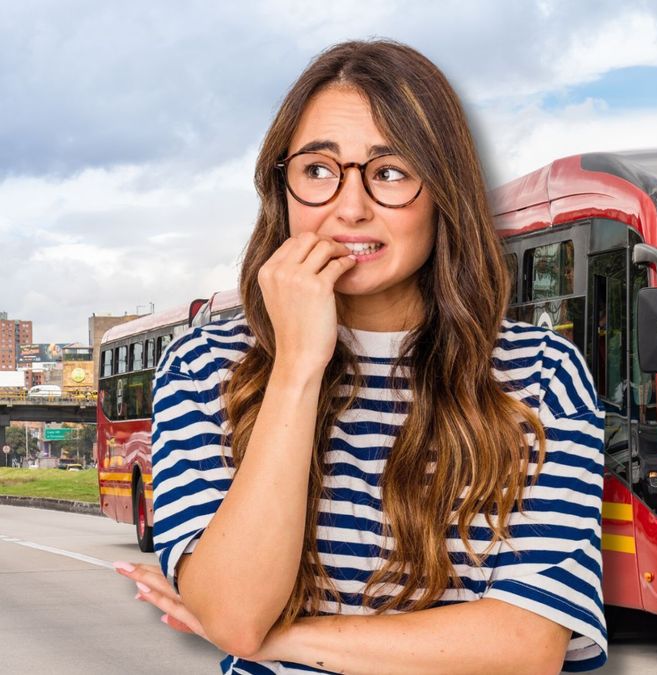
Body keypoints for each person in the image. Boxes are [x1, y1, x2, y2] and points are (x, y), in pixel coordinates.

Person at [112, 40, 606, 674]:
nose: (349, 208)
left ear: (443, 192)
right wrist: (296, 368)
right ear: (282, 189)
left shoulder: (540, 374)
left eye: (391, 172)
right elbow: (235, 611)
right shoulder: (205, 368)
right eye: (318, 170)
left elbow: (525, 646)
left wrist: (280, 640)